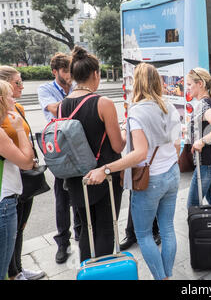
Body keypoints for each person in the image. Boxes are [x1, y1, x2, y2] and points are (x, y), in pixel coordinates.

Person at [85, 63, 181, 280]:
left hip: (150, 181)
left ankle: (161, 277)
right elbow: (176, 145)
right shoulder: (170, 106)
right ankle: (168, 275)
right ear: (158, 81)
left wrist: (105, 168)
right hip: (172, 174)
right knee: (167, 229)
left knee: (144, 234)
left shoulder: (137, 111)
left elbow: (139, 154)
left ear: (136, 83)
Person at [60, 46, 126, 263]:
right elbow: (117, 146)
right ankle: (104, 272)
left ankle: (87, 271)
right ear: (96, 74)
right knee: (106, 229)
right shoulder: (103, 103)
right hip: (104, 177)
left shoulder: (62, 105)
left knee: (86, 229)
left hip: (76, 179)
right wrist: (124, 131)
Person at [0, 66, 46, 280]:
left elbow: (25, 143)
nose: (21, 87)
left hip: (22, 179)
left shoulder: (18, 109)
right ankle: (12, 272)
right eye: (16, 83)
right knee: (9, 230)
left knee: (19, 227)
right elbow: (21, 156)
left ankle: (17, 268)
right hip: (10, 183)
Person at [37, 53, 81, 264]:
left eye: (71, 70)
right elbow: (53, 108)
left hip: (78, 147)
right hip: (59, 150)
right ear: (55, 72)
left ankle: (81, 234)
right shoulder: (45, 89)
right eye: (65, 71)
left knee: (80, 194)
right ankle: (63, 243)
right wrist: (81, 103)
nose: (69, 75)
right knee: (62, 199)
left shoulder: (75, 86)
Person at [185, 68, 211, 208]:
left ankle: (207, 227)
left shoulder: (204, 105)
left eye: (190, 84)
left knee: (193, 204)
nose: (188, 88)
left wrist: (201, 141)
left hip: (208, 161)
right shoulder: (208, 101)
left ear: (200, 84)